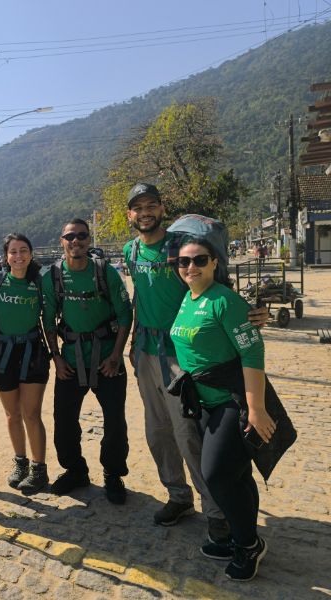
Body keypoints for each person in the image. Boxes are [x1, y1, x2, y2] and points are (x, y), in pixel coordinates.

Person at [123, 183, 268, 543]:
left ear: (161, 208)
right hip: (145, 350)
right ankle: (178, 495)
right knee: (157, 431)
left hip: (180, 354)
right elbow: (141, 297)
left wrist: (248, 312)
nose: (145, 212)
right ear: (130, 215)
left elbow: (216, 286)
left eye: (151, 205)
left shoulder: (181, 249)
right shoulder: (131, 251)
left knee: (187, 432)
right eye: (138, 207)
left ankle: (215, 510)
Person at [170, 238, 273, 581]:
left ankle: (248, 544)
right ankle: (241, 539)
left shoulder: (225, 301)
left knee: (215, 474)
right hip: (204, 404)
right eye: (184, 262)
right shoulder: (188, 297)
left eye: (200, 260)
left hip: (233, 402)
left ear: (215, 262)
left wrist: (256, 409)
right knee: (238, 474)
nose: (190, 267)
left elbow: (252, 352)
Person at [48, 219, 133, 504]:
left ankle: (113, 473)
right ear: (62, 241)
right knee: (64, 421)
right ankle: (75, 471)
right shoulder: (54, 276)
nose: (76, 241)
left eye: (82, 236)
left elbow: (125, 315)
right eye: (70, 236)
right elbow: (47, 321)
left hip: (107, 360)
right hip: (71, 361)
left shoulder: (105, 272)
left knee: (115, 422)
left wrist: (116, 355)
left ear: (88, 239)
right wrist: (56, 358)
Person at [0, 233, 55, 494]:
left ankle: (39, 469)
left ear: (31, 254)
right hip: (2, 353)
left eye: (23, 250)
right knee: (12, 415)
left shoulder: (41, 281)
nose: (19, 256)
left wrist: (57, 352)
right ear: (6, 255)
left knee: (32, 414)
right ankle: (20, 463)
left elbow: (51, 316)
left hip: (33, 353)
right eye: (13, 251)